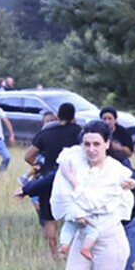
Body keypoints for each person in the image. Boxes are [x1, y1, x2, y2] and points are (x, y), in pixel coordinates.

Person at [55, 121, 135, 270]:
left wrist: (73, 182)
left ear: (107, 144)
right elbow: (62, 198)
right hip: (83, 237)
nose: (91, 149)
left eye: (97, 144)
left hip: (109, 239)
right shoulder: (77, 163)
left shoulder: (116, 172)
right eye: (87, 144)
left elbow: (93, 201)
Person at [24, 103, 84, 256]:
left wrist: (39, 166)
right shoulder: (81, 133)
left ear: (58, 116)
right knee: (79, 216)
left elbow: (28, 156)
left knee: (49, 219)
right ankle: (75, 252)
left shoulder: (46, 134)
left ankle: (54, 256)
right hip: (75, 180)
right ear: (73, 116)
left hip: (49, 180)